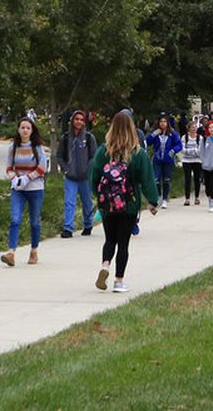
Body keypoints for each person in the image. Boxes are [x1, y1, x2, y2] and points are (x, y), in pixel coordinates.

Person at [89, 110, 159, 293]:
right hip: (128, 204)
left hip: (107, 205)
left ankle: (105, 265)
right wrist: (152, 201)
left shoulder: (103, 151)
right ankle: (118, 281)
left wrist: (98, 196)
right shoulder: (138, 153)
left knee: (109, 240)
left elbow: (94, 177)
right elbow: (146, 179)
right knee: (123, 243)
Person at [2, 117, 47, 266]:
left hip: (35, 188)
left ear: (32, 130)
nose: (25, 130)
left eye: (28, 128)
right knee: (15, 219)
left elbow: (42, 167)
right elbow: (8, 167)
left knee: (34, 221)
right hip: (18, 189)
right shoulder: (13, 147)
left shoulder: (38, 147)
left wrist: (28, 178)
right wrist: (14, 178)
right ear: (18, 130)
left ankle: (34, 250)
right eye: (22, 127)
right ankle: (11, 252)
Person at [57, 109, 98, 237]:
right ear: (72, 120)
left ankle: (88, 224)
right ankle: (68, 228)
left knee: (87, 202)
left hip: (85, 177)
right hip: (70, 177)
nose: (79, 122)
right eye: (77, 119)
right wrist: (65, 169)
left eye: (81, 120)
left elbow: (94, 156)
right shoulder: (65, 138)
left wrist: (89, 169)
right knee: (69, 202)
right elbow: (59, 156)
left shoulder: (89, 138)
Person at [147, 115, 181, 209]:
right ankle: (158, 196)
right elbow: (147, 142)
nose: (163, 123)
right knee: (156, 179)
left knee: (166, 180)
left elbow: (179, 145)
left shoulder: (172, 133)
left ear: (167, 123)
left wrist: (173, 151)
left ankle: (165, 199)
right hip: (157, 160)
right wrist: (153, 134)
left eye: (164, 121)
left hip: (168, 160)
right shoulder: (156, 133)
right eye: (161, 121)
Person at [179, 119, 202, 205]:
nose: (194, 129)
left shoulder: (200, 137)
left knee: (197, 179)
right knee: (187, 179)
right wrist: (193, 151)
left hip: (197, 160)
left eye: (195, 127)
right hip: (186, 160)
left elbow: (201, 149)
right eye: (192, 127)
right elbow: (183, 149)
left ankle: (197, 197)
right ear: (188, 128)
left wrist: (192, 151)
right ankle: (187, 198)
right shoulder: (184, 137)